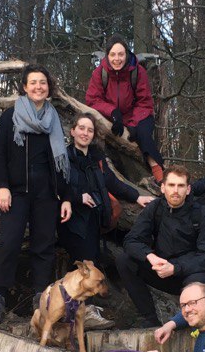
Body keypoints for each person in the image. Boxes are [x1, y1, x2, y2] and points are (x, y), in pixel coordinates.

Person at [0, 64, 73, 323]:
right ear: (24, 86)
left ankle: (41, 297)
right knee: (9, 242)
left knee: (44, 245)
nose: (38, 87)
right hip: (16, 192)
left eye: (42, 83)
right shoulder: (10, 116)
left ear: (48, 88)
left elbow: (61, 161)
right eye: (33, 82)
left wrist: (65, 196)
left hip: (46, 194)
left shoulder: (53, 119)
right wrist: (2, 185)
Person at [115, 165, 205, 327]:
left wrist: (176, 268)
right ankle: (149, 319)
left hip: (190, 274)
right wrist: (150, 256)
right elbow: (131, 240)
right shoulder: (155, 208)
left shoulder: (202, 213)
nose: (175, 190)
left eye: (180, 186)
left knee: (200, 281)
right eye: (171, 185)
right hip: (162, 271)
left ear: (188, 189)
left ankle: (190, 323)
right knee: (125, 260)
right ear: (163, 187)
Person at [59, 112, 153, 266]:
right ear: (72, 131)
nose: (85, 133)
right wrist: (77, 197)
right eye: (81, 128)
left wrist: (137, 196)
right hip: (74, 223)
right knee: (81, 269)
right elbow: (56, 187)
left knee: (93, 264)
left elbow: (112, 182)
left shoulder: (97, 158)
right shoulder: (64, 158)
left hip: (95, 222)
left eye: (90, 130)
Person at [85, 36, 165, 183]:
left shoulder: (138, 72)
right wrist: (113, 112)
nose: (117, 59)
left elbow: (145, 102)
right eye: (113, 55)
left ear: (126, 54)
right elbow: (92, 100)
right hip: (111, 116)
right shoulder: (100, 73)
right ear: (107, 56)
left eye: (121, 54)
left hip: (138, 114)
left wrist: (133, 124)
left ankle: (158, 172)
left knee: (143, 135)